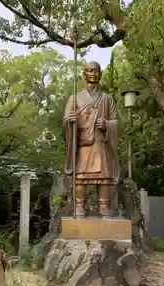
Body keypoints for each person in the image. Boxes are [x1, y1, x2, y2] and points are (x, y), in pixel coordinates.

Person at [63, 61, 120, 218]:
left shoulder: (107, 99)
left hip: (101, 143)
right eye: (89, 71)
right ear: (84, 74)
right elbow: (65, 121)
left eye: (96, 71)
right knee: (81, 178)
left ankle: (103, 206)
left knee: (103, 178)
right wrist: (70, 121)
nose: (93, 74)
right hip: (84, 145)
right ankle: (79, 206)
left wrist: (107, 124)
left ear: (100, 74)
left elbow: (117, 122)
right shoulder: (74, 98)